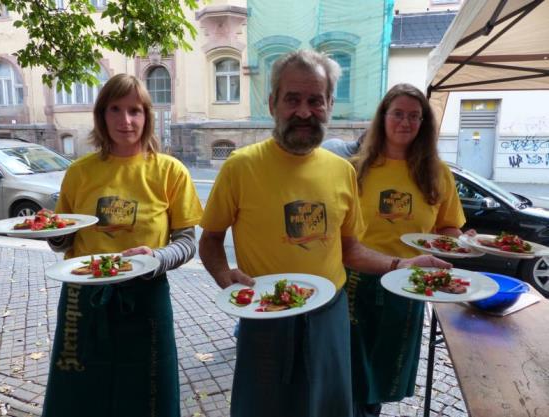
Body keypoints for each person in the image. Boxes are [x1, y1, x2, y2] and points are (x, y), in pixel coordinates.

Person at [199, 50, 451, 417]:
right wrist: (225, 275)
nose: (304, 112)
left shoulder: (342, 170)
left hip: (330, 315)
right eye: (293, 99)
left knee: (328, 406)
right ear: (272, 103)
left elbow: (350, 249)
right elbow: (208, 240)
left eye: (315, 100)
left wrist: (403, 264)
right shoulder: (240, 166)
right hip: (267, 314)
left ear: (330, 104)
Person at [42, 74, 203, 417]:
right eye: (115, 109)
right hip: (82, 296)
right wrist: (50, 230)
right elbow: (63, 242)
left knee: (148, 391)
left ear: (147, 116)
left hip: (145, 293)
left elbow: (188, 242)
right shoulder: (80, 172)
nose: (125, 120)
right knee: (80, 391)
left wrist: (157, 258)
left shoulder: (169, 171)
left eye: (134, 110)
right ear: (101, 115)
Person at [348, 83, 471, 417]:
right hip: (356, 279)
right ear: (383, 117)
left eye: (415, 117)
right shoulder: (355, 169)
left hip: (410, 282)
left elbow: (448, 228)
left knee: (386, 366)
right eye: (398, 114)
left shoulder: (437, 173)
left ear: (424, 124)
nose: (406, 122)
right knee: (351, 371)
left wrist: (458, 242)